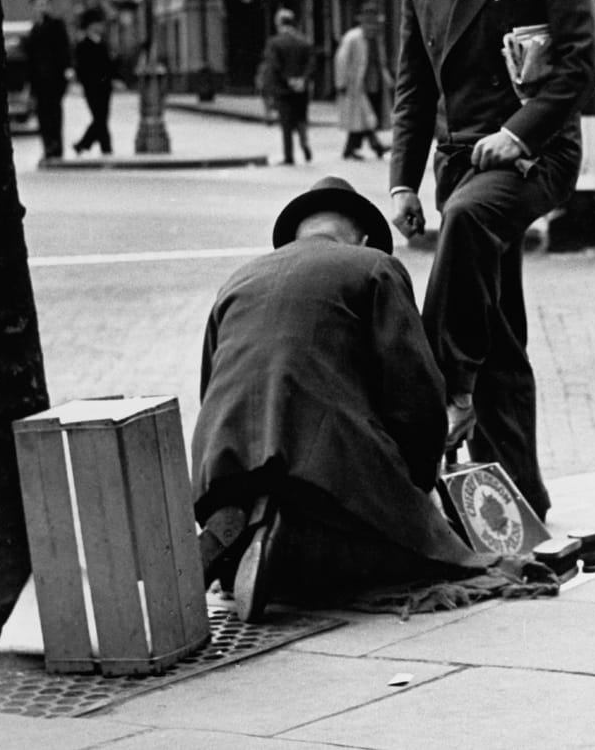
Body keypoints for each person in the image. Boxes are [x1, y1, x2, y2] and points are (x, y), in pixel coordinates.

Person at [390, 0, 595, 521]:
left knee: (470, 219)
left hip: (535, 154)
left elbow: (582, 62)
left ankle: (439, 385)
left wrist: (520, 130)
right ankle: (525, 504)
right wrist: (400, 184)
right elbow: (413, 91)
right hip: (456, 162)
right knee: (502, 333)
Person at [190, 176, 495, 622]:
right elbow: (413, 394)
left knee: (295, 490)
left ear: (298, 234)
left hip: (221, 467)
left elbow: (209, 388)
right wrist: (416, 485)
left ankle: (253, 525)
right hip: (325, 471)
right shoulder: (373, 266)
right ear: (365, 237)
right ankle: (287, 531)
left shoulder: (238, 279)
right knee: (410, 551)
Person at [334, 4, 391, 160]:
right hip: (356, 84)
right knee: (363, 116)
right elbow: (341, 60)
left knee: (364, 117)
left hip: (373, 83)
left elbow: (381, 61)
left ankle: (357, 148)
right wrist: (341, 82)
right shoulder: (353, 37)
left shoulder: (376, 39)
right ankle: (374, 146)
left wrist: (386, 78)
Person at [259, 8, 313, 165]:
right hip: (302, 88)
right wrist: (302, 79)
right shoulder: (304, 41)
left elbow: (274, 66)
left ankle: (289, 156)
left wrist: (286, 81)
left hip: (283, 89)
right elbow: (311, 64)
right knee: (302, 118)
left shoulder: (275, 43)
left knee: (287, 123)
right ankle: (304, 143)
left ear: (279, 23)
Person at [23, 0, 72, 161]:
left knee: (54, 113)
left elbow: (64, 50)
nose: (41, 8)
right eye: (38, 5)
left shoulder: (56, 25)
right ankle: (48, 146)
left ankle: (55, 147)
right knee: (43, 115)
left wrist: (67, 71)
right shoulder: (34, 29)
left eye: (44, 4)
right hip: (39, 81)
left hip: (54, 78)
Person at [73, 7, 115, 156]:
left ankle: (83, 144)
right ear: (90, 25)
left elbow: (108, 65)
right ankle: (105, 147)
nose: (101, 26)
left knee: (102, 118)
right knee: (100, 118)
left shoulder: (102, 43)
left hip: (105, 87)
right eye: (98, 23)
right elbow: (82, 68)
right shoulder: (83, 45)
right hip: (92, 88)